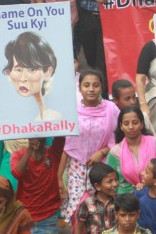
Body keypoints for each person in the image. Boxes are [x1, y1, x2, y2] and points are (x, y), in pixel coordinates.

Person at [59, 70, 119, 222]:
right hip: (77, 169)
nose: (91, 89)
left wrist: (103, 152)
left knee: (104, 212)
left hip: (104, 167)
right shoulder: (71, 112)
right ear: (79, 88)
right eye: (86, 85)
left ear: (101, 88)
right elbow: (66, 146)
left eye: (95, 85)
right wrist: (59, 177)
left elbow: (121, 138)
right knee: (78, 213)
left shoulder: (111, 109)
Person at [106, 106, 156, 194]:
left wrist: (147, 184)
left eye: (135, 123)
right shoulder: (115, 153)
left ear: (142, 124)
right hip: (126, 200)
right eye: (126, 124)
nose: (131, 127)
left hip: (154, 196)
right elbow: (110, 181)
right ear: (121, 126)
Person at [11, 137, 66, 231]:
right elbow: (17, 173)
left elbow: (61, 136)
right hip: (25, 216)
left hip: (48, 217)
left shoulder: (53, 153)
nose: (36, 139)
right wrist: (30, 150)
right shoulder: (18, 154)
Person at [3, 31, 60, 121]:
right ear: (9, 72)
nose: (23, 78)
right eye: (18, 69)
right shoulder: (4, 117)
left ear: (48, 72)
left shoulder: (54, 117)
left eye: (32, 70)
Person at [72, 163, 118, 234]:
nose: (115, 184)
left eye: (116, 180)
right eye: (110, 181)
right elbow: (79, 227)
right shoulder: (87, 204)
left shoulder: (119, 201)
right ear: (97, 186)